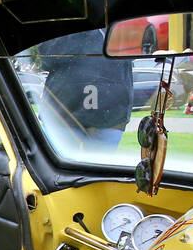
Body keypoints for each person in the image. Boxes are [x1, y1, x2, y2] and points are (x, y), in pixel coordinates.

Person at [35, 28, 134, 156]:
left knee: (97, 169)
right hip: (66, 111)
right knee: (64, 167)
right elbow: (47, 57)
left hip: (106, 111)